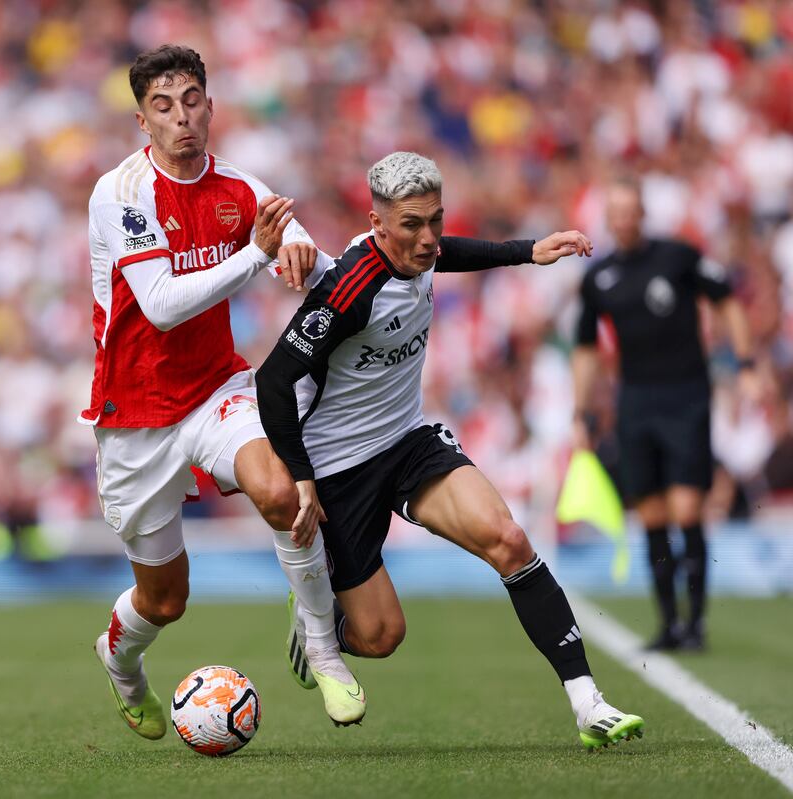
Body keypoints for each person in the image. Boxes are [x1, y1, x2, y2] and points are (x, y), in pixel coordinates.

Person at [256, 151, 644, 750]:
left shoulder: (424, 250)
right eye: (412, 224)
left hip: (408, 441)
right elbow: (273, 381)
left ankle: (588, 702)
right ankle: (318, 619)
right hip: (338, 469)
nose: (429, 237)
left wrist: (526, 250)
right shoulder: (346, 291)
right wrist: (302, 479)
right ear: (377, 222)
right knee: (382, 637)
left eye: (436, 220)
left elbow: (447, 254)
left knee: (509, 539)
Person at [84, 44, 363, 738]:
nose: (181, 118)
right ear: (142, 120)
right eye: (162, 106)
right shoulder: (119, 194)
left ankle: (325, 651)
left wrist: (308, 255)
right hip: (135, 412)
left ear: (210, 106)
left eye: (191, 101)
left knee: (281, 491)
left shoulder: (239, 186)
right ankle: (121, 665)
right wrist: (259, 255)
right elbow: (163, 304)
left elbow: (293, 242)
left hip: (215, 388)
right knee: (166, 599)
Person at [571, 178, 757, 651]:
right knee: (652, 514)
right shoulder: (599, 277)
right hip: (636, 401)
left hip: (686, 394)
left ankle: (696, 624)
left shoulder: (678, 256)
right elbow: (587, 349)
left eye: (631, 210)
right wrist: (581, 410)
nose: (624, 220)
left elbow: (727, 300)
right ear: (608, 219)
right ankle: (669, 623)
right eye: (615, 212)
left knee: (687, 508)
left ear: (642, 214)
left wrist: (747, 362)